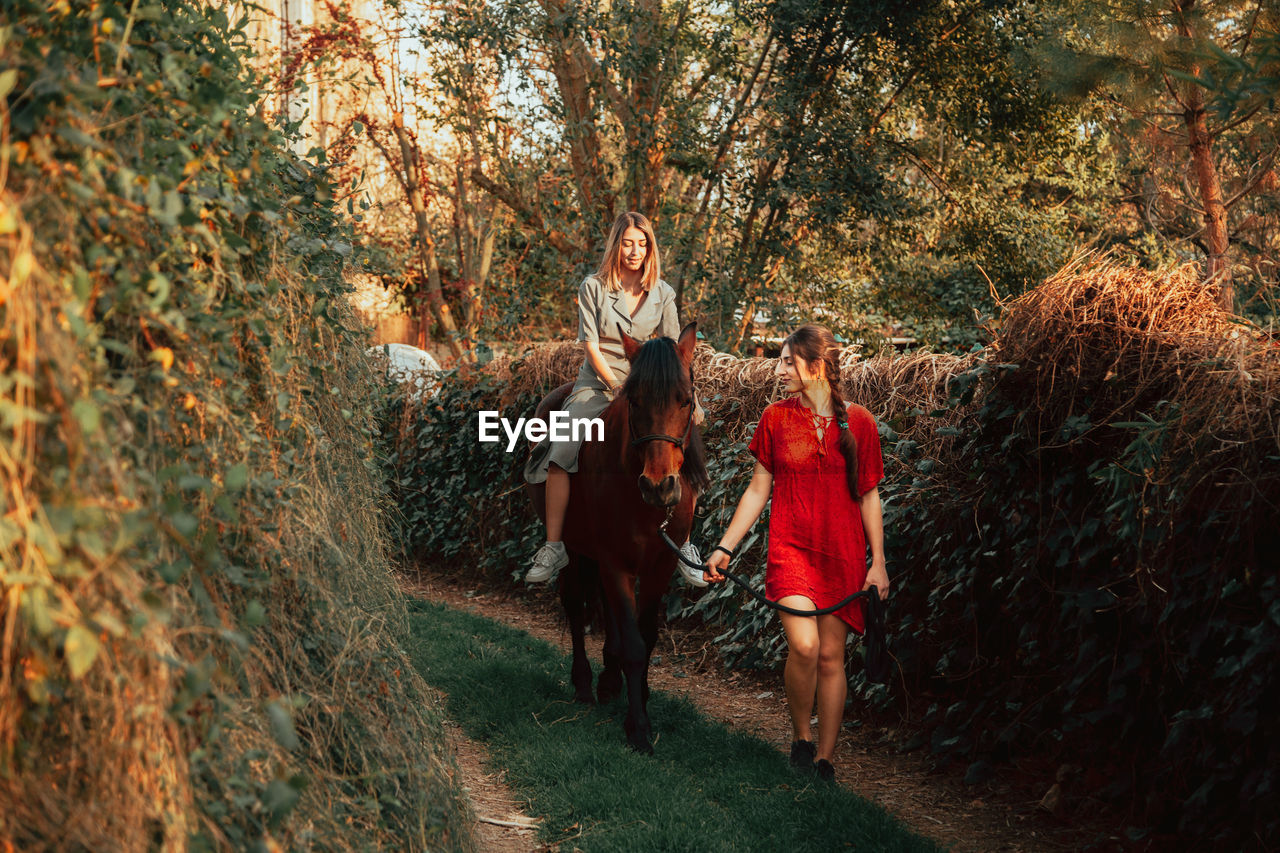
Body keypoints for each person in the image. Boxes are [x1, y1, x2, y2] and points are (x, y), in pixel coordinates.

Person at [703, 324, 888, 782]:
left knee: (831, 657)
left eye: (788, 361)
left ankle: (824, 758)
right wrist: (726, 546)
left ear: (816, 366)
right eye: (781, 360)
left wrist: (878, 562)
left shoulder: (859, 423)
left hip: (842, 555)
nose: (779, 369)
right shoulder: (776, 418)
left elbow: (869, 496)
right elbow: (758, 489)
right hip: (791, 551)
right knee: (804, 647)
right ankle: (800, 738)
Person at [524, 211, 706, 586]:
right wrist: (615, 386)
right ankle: (554, 545)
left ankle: (686, 544)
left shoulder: (663, 292)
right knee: (562, 449)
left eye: (642, 243)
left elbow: (674, 349)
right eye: (628, 243)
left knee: (691, 445)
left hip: (650, 385)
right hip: (598, 381)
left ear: (650, 247)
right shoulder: (593, 287)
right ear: (616, 245)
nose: (635, 250)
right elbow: (590, 345)